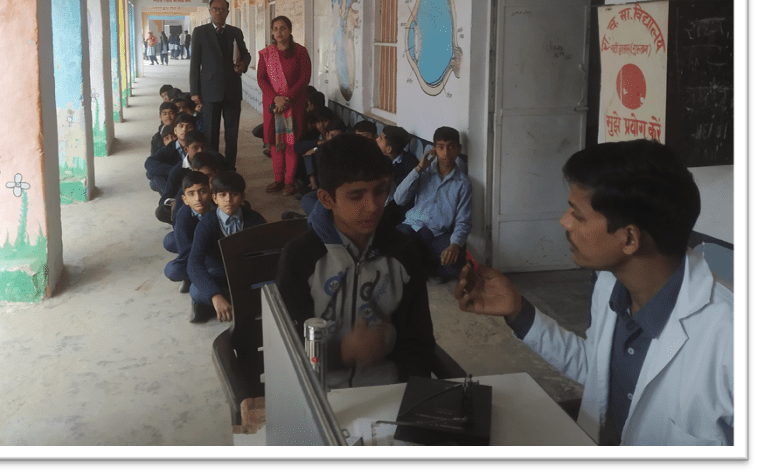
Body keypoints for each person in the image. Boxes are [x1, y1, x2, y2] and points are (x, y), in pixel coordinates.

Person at [454, 139, 733, 447]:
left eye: (578, 215)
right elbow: (599, 372)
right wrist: (518, 311)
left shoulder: (730, 339)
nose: (564, 221)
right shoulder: (611, 283)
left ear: (629, 238)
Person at [275, 133, 437, 389]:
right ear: (327, 199)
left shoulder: (403, 252)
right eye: (356, 196)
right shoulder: (301, 257)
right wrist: (343, 352)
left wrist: (413, 402)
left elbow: (418, 342)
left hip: (388, 392)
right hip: (320, 394)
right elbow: (285, 346)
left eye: (380, 191)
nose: (373, 206)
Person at [393, 126, 472, 282]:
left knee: (455, 262)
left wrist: (454, 245)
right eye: (441, 147)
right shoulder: (423, 173)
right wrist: (419, 168)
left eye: (451, 147)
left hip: (438, 235)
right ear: (434, 149)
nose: (446, 153)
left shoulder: (463, 184)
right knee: (397, 244)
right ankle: (428, 267)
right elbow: (399, 199)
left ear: (458, 149)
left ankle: (422, 266)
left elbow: (463, 221)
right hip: (413, 228)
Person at [187, 171, 266, 323]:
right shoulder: (206, 224)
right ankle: (233, 303)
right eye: (222, 195)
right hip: (219, 274)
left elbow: (268, 254)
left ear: (243, 197)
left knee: (274, 286)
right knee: (196, 290)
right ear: (214, 198)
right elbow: (194, 263)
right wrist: (215, 296)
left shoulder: (255, 219)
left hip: (247, 273)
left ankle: (220, 306)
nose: (228, 200)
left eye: (234, 194)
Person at [189, 0, 251, 170]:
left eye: (222, 9)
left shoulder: (235, 32)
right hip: (210, 91)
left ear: (227, 12)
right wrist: (195, 91)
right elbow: (195, 63)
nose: (218, 12)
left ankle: (230, 167)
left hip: (232, 90)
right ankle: (212, 167)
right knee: (210, 133)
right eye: (215, 9)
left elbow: (246, 54)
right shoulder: (200, 32)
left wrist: (243, 64)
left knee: (232, 133)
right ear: (210, 11)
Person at [257, 15, 311, 197]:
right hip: (273, 106)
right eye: (275, 29)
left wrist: (285, 98)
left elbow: (305, 78)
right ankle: (278, 179)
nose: (279, 32)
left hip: (293, 104)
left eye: (283, 28)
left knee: (290, 142)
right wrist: (275, 99)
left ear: (290, 30)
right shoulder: (266, 54)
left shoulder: (300, 52)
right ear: (272, 32)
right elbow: (261, 79)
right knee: (275, 142)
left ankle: (289, 182)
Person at [163, 170, 214, 294]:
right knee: (172, 270)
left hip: (217, 252)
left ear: (211, 192)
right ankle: (193, 276)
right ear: (184, 199)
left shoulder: (219, 209)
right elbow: (185, 251)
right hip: (197, 252)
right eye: (191, 194)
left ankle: (204, 274)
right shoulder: (183, 215)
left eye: (202, 191)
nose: (198, 199)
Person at [145, 113, 195, 193]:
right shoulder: (170, 148)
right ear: (175, 130)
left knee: (153, 179)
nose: (184, 130)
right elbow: (149, 162)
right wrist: (174, 171)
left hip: (195, 181)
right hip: (177, 181)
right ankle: (172, 198)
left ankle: (170, 198)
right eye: (181, 126)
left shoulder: (199, 145)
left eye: (189, 127)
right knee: (151, 173)